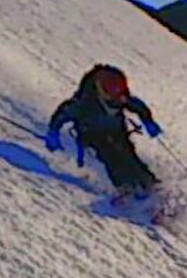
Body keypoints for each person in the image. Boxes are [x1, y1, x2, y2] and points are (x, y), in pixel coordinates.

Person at [45, 64, 163, 197]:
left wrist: (148, 121)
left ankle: (150, 184)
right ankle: (125, 188)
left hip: (117, 132)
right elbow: (62, 114)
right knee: (111, 159)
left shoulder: (120, 98)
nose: (119, 99)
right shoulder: (84, 103)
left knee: (129, 156)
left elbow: (138, 106)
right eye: (114, 95)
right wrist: (53, 132)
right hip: (92, 136)